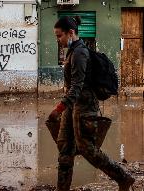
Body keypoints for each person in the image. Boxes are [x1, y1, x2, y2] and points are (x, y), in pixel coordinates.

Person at [49, 16, 135, 191]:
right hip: (72, 107)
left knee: (87, 149)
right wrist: (65, 108)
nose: (58, 40)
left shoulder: (80, 53)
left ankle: (124, 177)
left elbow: (77, 86)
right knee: (65, 149)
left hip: (85, 107)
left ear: (70, 33)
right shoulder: (72, 52)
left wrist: (59, 108)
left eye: (59, 36)